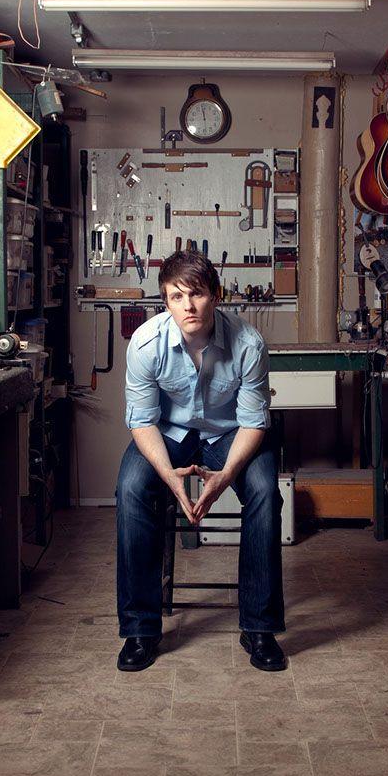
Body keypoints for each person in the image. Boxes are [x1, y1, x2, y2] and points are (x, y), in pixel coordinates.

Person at [115, 250, 286, 673]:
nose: (187, 306)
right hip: (167, 435)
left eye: (196, 294)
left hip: (230, 434)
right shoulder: (145, 343)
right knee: (132, 489)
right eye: (175, 297)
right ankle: (140, 630)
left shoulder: (248, 344)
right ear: (165, 301)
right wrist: (173, 483)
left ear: (216, 294)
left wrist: (226, 477)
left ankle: (259, 628)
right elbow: (142, 420)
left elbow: (253, 423)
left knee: (266, 490)